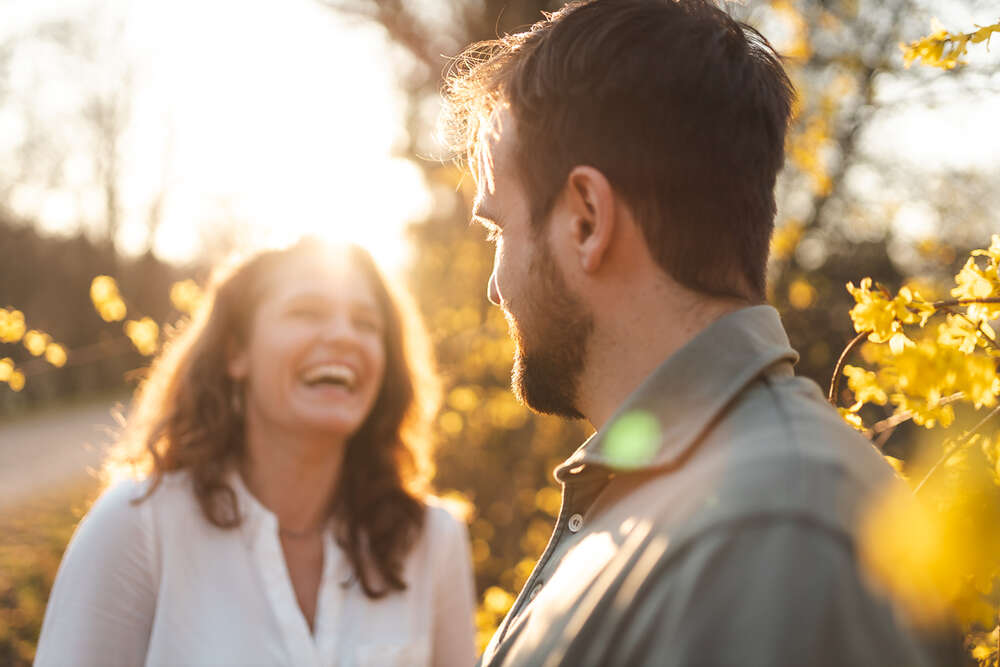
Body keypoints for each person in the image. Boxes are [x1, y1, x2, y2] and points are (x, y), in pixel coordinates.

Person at [444, 1, 960, 665]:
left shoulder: (770, 533)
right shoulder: (692, 501)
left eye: (498, 230)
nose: (493, 286)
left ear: (586, 220)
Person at [35, 240, 477, 667]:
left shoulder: (432, 541)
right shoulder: (137, 526)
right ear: (236, 352)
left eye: (366, 323)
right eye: (307, 312)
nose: (344, 336)